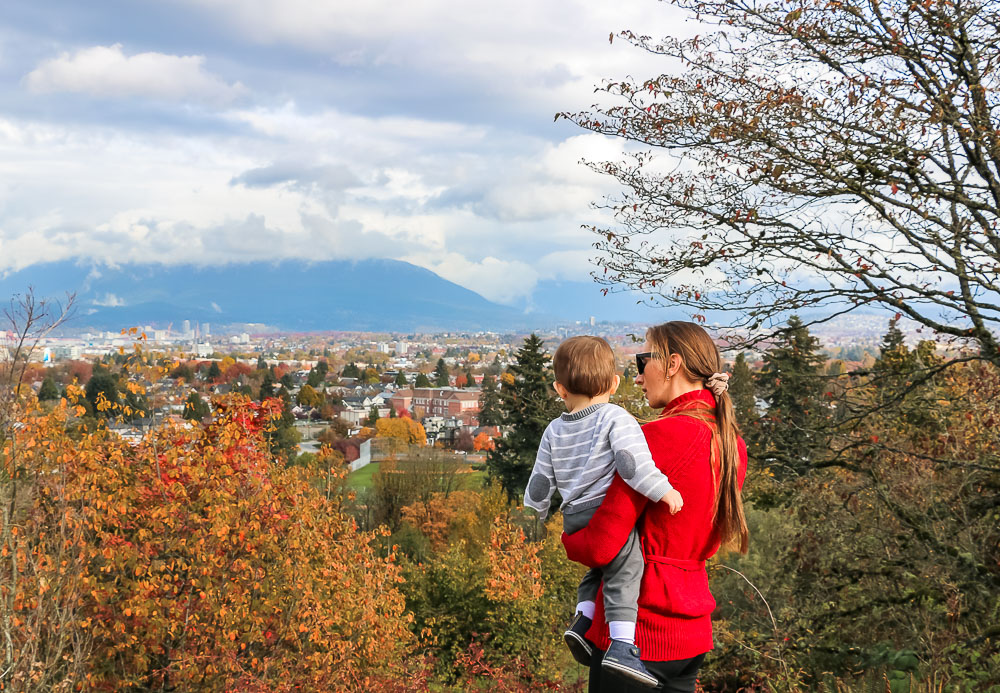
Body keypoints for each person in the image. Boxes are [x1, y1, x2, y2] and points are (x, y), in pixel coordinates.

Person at [561, 322, 749, 693]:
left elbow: (602, 544)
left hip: (636, 635)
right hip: (691, 633)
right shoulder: (732, 444)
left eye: (643, 361)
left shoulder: (658, 437)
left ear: (672, 363)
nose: (638, 375)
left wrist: (570, 540)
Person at [523, 336, 684, 688]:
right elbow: (631, 465)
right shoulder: (615, 417)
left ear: (559, 389)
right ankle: (623, 647)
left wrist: (531, 516)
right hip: (604, 513)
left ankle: (583, 621)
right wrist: (663, 490)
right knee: (627, 568)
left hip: (574, 516)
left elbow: (539, 482)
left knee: (599, 568)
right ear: (614, 383)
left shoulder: (553, 430)